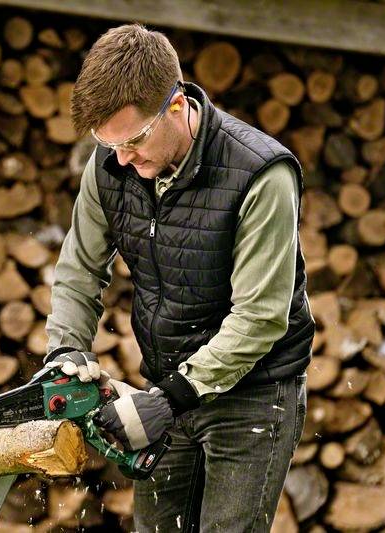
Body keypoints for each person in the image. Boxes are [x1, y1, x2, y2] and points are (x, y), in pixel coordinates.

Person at [42, 24, 314, 532]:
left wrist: (171, 398)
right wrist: (65, 351)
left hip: (253, 394)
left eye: (135, 140)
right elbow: (79, 270)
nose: (123, 158)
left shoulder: (260, 173)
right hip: (165, 383)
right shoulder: (110, 165)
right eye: (109, 144)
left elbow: (259, 317)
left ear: (175, 104)